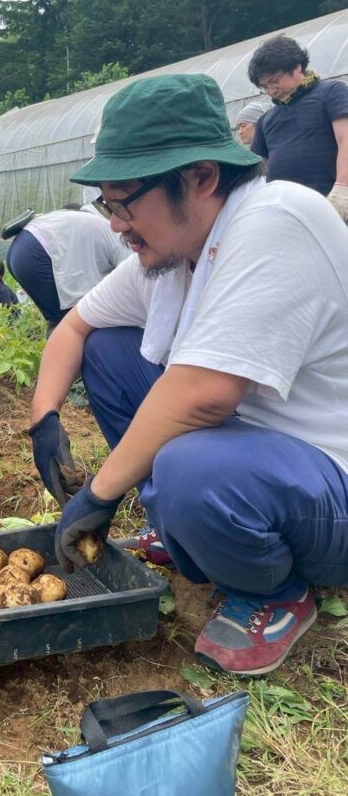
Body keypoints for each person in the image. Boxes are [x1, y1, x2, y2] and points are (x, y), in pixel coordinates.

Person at [28, 73, 348, 677]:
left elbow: (204, 396)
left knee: (188, 467)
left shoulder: (278, 218)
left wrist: (99, 494)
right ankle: (189, 529)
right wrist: (44, 419)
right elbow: (74, 328)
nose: (115, 224)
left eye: (124, 202)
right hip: (260, 461)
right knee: (108, 350)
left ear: (200, 177)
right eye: (106, 204)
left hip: (331, 481)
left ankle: (274, 592)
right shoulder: (175, 254)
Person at [247, 34, 348, 219]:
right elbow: (257, 170)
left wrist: (343, 189)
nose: (271, 91)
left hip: (331, 203)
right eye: (264, 87)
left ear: (297, 67)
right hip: (287, 213)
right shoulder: (266, 120)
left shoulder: (331, 93)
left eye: (275, 81)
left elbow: (345, 139)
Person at [6, 203, 130, 334]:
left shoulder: (86, 219)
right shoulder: (113, 232)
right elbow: (129, 278)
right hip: (36, 252)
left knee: (58, 321)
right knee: (74, 322)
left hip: (19, 248)